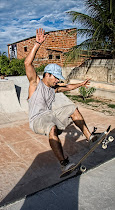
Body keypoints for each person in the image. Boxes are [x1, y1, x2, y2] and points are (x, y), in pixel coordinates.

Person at [24, 28, 99, 172]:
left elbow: (68, 87)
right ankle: (64, 164)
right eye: (56, 78)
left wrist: (81, 84)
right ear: (47, 75)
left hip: (50, 115)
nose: (57, 81)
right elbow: (28, 64)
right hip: (37, 120)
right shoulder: (35, 83)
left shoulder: (54, 88)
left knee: (72, 108)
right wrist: (37, 44)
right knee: (52, 128)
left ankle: (90, 137)